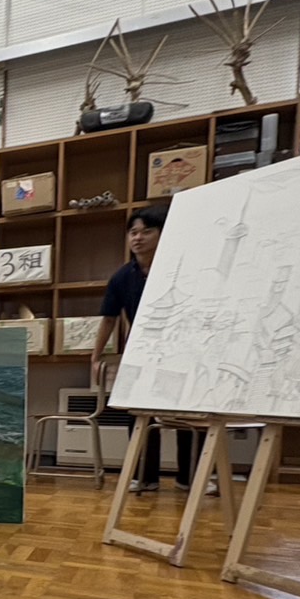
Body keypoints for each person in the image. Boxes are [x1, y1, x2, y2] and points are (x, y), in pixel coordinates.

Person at [90, 207, 210, 494]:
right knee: (137, 414)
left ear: (162, 234)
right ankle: (144, 476)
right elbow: (109, 319)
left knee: (185, 414)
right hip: (140, 350)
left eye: (147, 231)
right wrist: (95, 356)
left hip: (182, 347)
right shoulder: (122, 277)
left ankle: (190, 477)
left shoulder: (182, 270)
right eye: (133, 232)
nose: (138, 238)